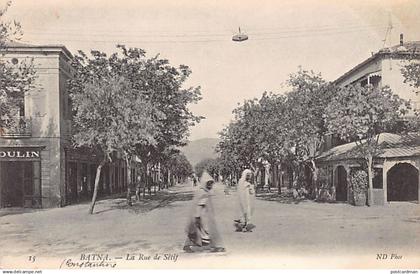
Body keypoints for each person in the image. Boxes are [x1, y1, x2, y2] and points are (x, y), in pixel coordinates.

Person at [183, 172, 225, 253]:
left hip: (201, 215)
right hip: (203, 216)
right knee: (210, 230)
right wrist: (197, 217)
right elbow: (199, 205)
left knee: (195, 231)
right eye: (208, 183)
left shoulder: (201, 191)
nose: (210, 185)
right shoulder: (203, 193)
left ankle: (187, 245)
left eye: (211, 183)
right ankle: (216, 246)